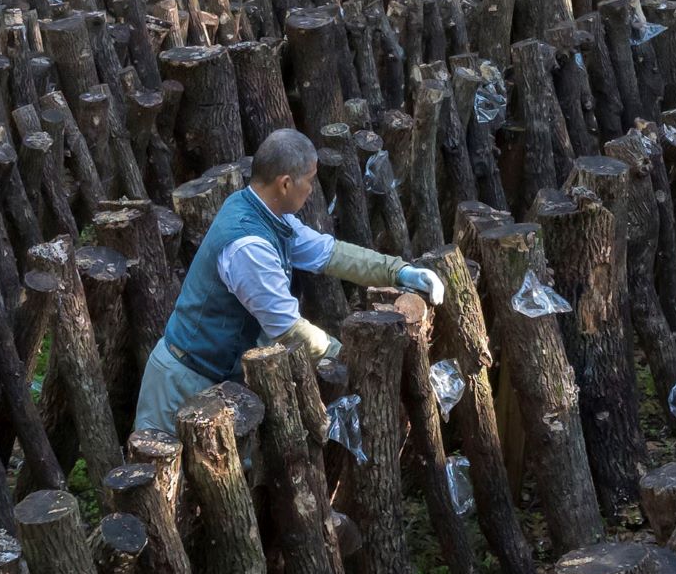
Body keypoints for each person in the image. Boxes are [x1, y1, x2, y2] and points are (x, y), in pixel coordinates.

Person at [134, 128, 447, 434]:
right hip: (182, 383)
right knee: (164, 480)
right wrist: (347, 357)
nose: (312, 189)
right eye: (309, 181)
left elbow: (330, 253)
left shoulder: (267, 213)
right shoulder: (249, 247)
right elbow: (286, 328)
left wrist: (399, 270)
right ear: (285, 184)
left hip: (212, 378)